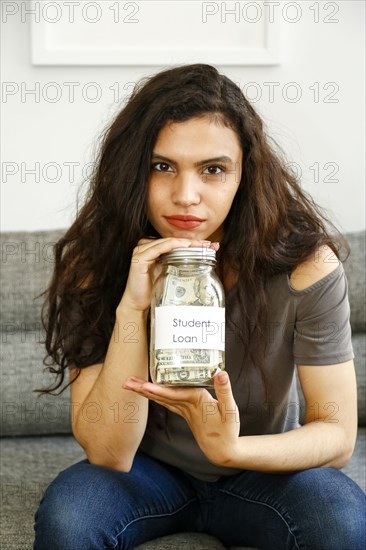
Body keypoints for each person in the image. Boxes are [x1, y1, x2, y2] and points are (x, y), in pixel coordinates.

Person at [33, 64, 365, 550]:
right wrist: (133, 309)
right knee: (69, 517)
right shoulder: (96, 261)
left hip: (259, 467)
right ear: (131, 170)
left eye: (213, 169)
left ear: (243, 176)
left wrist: (231, 449)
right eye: (161, 166)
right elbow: (108, 452)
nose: (185, 196)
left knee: (342, 519)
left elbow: (336, 435)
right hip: (147, 473)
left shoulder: (305, 266)